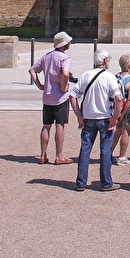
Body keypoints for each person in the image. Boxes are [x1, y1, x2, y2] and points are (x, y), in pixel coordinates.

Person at [70, 50, 122, 191]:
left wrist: (79, 116)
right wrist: (115, 118)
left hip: (88, 118)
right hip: (105, 118)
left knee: (85, 150)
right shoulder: (109, 77)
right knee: (105, 151)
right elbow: (118, 98)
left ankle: (81, 182)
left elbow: (73, 96)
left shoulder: (85, 75)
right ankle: (106, 182)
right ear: (105, 61)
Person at [29, 31, 74, 165]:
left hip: (47, 96)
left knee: (46, 125)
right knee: (60, 125)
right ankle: (59, 156)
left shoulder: (46, 56)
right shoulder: (64, 58)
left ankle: (42, 155)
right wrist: (63, 87)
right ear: (65, 44)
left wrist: (39, 85)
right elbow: (65, 73)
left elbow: (32, 70)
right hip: (60, 97)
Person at [112, 54, 130, 165]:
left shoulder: (116, 77)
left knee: (117, 132)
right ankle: (122, 157)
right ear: (129, 65)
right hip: (127, 109)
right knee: (126, 132)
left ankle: (108, 153)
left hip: (117, 107)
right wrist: (123, 113)